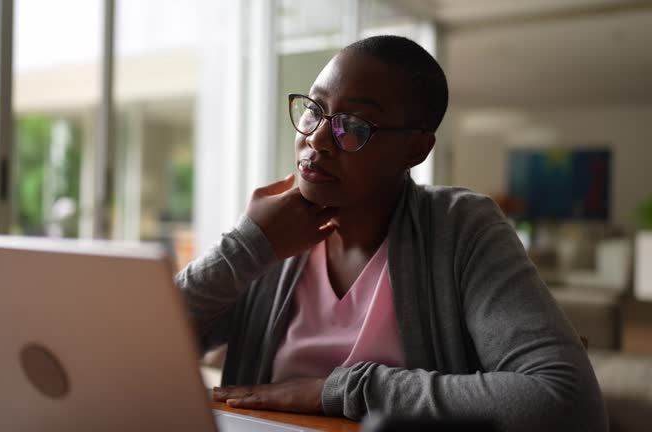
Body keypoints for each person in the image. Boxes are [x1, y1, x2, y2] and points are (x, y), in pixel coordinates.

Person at [176, 35, 607, 431]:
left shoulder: (461, 228)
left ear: (415, 149)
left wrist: (336, 392)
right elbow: (138, 347)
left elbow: (567, 403)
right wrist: (248, 246)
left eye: (354, 125)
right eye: (314, 108)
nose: (318, 139)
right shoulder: (272, 231)